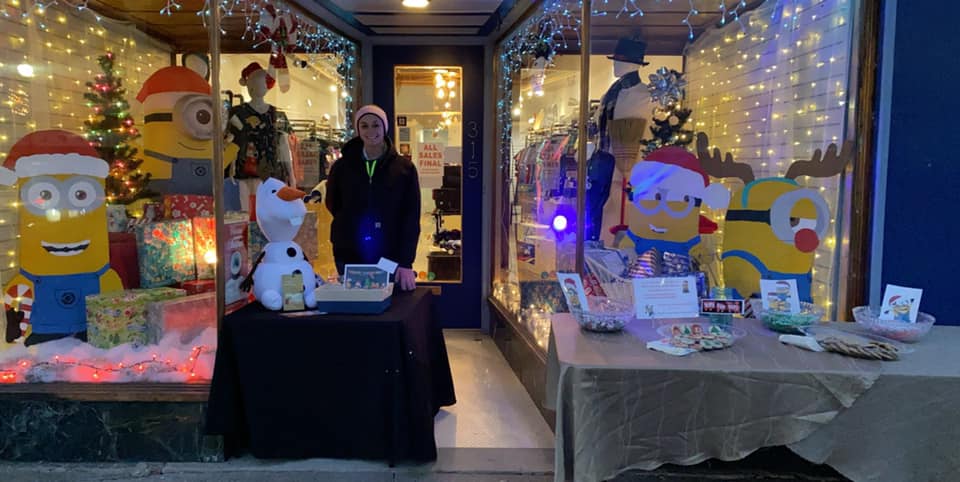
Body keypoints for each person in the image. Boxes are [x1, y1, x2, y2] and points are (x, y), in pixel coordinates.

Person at [325, 105, 420, 291]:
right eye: (364, 126)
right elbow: (333, 203)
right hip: (350, 254)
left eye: (376, 125)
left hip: (389, 256)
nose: (371, 131)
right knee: (355, 305)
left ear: (384, 128)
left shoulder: (404, 169)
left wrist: (406, 262)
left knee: (389, 305)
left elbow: (410, 215)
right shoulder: (342, 167)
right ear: (358, 130)